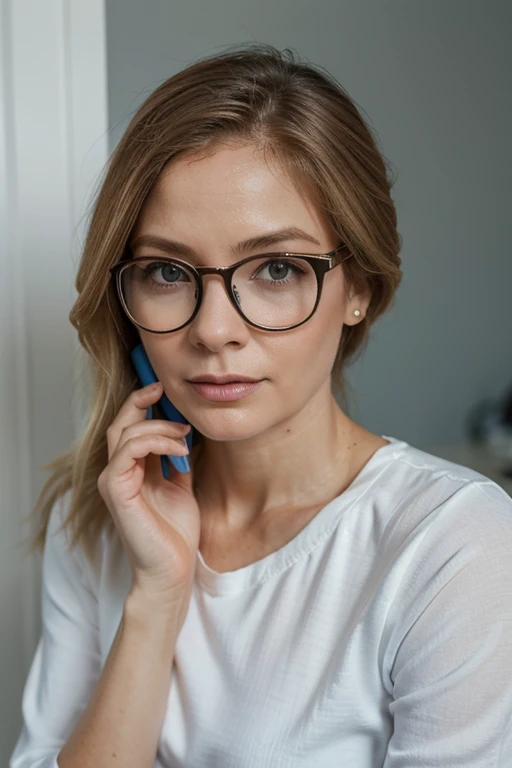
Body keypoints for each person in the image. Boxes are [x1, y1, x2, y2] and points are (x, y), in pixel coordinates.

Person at [10, 43, 512, 768]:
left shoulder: (455, 550)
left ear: (361, 286)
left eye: (277, 268)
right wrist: (156, 597)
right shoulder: (96, 522)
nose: (214, 330)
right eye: (167, 272)